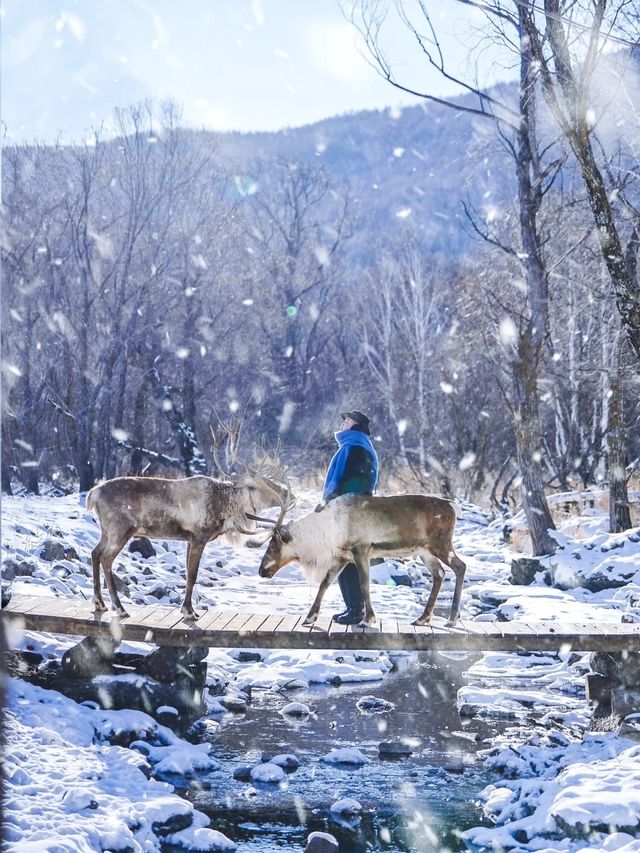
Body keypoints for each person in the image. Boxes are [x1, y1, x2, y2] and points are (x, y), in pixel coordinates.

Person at [315, 409, 379, 624]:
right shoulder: (354, 446)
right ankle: (353, 607)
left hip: (349, 515)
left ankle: (356, 611)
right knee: (344, 560)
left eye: (348, 421)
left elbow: (355, 482)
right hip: (350, 512)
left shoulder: (356, 448)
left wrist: (333, 502)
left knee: (347, 561)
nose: (343, 424)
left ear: (356, 426)